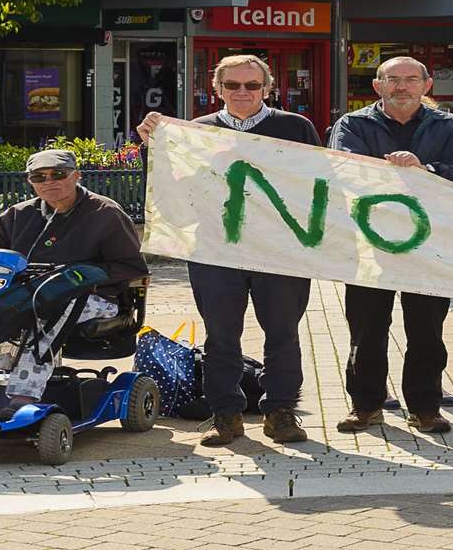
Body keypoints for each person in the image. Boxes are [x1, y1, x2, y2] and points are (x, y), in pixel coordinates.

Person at [136, 54, 322, 447]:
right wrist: (152, 145)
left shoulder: (295, 127)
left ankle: (281, 412)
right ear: (216, 89)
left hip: (281, 250)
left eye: (252, 86)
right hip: (214, 249)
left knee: (283, 333)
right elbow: (169, 182)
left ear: (268, 89)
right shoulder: (195, 132)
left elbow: (322, 185)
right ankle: (226, 414)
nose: (242, 92)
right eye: (232, 85)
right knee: (221, 335)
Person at [329, 56, 453, 436]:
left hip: (431, 245)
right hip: (369, 244)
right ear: (377, 86)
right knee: (366, 330)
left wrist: (424, 170)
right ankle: (366, 406)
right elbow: (344, 168)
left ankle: (425, 408)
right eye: (392, 79)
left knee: (427, 330)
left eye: (411, 79)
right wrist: (392, 170)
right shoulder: (353, 124)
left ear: (427, 85)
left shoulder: (451, 126)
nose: (402, 87)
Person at [0, 149, 147, 415]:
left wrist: (78, 276)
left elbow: (131, 267)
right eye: (39, 176)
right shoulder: (17, 215)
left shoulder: (105, 213)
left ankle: (23, 397)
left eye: (58, 174)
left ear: (76, 175)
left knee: (43, 312)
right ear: (30, 181)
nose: (49, 181)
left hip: (95, 298)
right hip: (24, 297)